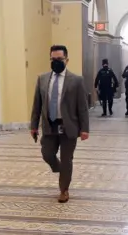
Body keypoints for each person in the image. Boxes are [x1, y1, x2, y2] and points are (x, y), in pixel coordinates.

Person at [30, 45, 90, 203]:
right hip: (49, 126)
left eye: (59, 59)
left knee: (66, 159)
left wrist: (85, 129)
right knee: (47, 153)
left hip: (68, 126)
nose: (56, 62)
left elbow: (82, 107)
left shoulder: (76, 80)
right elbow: (37, 104)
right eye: (53, 59)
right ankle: (58, 167)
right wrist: (34, 126)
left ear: (67, 60)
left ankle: (64, 190)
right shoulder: (42, 79)